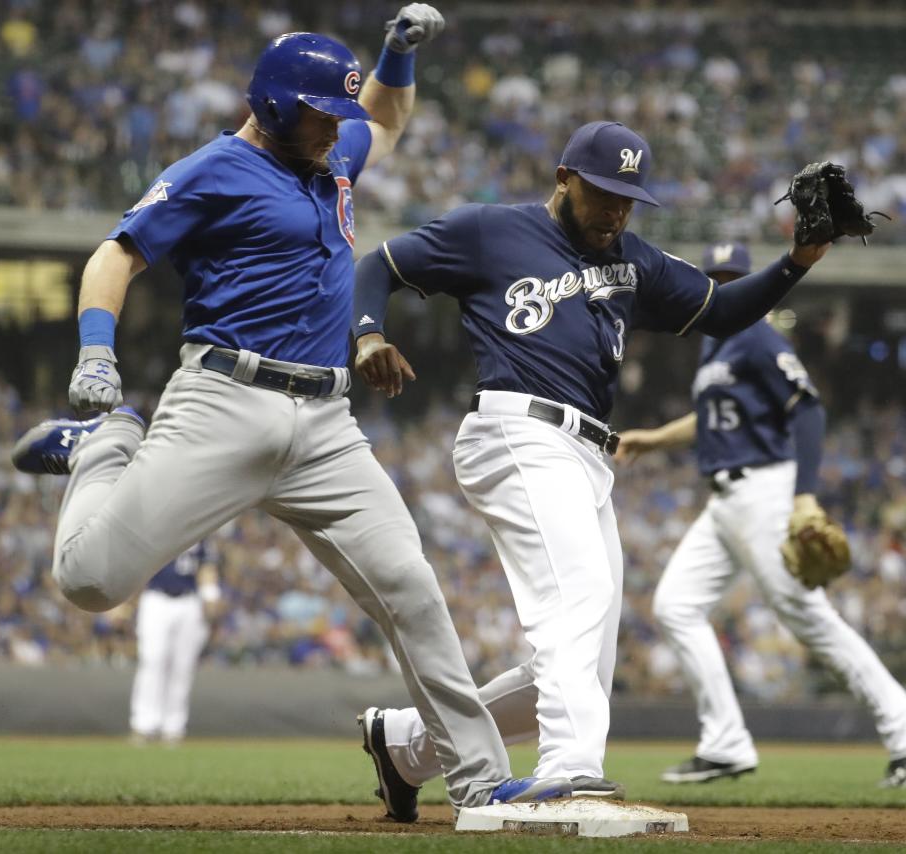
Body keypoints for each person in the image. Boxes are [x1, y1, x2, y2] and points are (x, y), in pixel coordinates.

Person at [10, 10, 575, 818]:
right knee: (91, 581)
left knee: (411, 586)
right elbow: (116, 255)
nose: (333, 127)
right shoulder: (211, 169)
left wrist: (394, 55)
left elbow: (382, 117)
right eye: (318, 112)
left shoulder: (331, 147)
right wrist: (96, 351)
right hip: (223, 402)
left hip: (326, 424)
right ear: (272, 104)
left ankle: (481, 782)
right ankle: (107, 444)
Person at [349, 121, 833, 818]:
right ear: (564, 178)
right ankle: (569, 768)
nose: (616, 210)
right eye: (604, 193)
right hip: (516, 428)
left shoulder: (634, 258)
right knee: (574, 599)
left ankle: (406, 747)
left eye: (628, 198)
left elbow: (722, 310)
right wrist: (367, 333)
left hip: (587, 452)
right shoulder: (491, 231)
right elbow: (380, 265)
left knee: (589, 656)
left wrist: (798, 260)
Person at [613, 242, 906, 788]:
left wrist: (805, 495)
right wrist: (653, 440)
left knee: (807, 616)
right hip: (724, 501)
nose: (724, 287)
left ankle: (903, 729)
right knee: (676, 605)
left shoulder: (756, 335)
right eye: (717, 278)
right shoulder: (716, 345)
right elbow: (712, 418)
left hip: (765, 490)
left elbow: (808, 406)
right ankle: (725, 744)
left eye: (734, 277)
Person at [129, 540, 221, 745]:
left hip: (189, 601)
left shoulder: (201, 529)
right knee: (152, 660)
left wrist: (210, 595)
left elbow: (207, 565)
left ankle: (174, 727)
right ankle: (143, 724)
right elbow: (135, 563)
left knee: (182, 667)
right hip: (156, 598)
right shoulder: (156, 524)